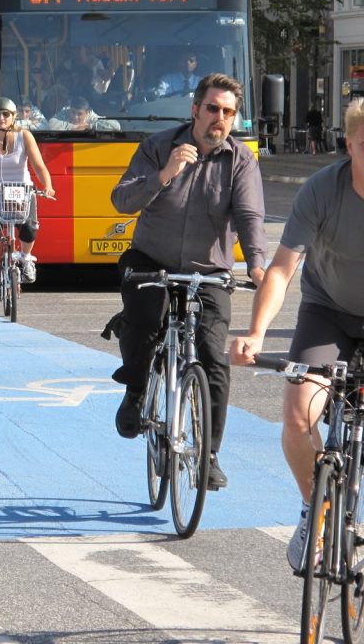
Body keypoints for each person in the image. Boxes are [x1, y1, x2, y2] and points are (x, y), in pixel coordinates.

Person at [110, 73, 267, 489]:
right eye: (213, 108)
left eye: (228, 113)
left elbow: (250, 217)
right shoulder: (158, 146)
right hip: (152, 260)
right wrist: (164, 174)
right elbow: (122, 200)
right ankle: (137, 391)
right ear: (195, 110)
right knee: (144, 323)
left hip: (209, 271)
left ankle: (209, 453)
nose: (220, 118)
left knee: (214, 359)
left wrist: (256, 265)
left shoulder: (240, 160)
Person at [230, 97, 364, 569]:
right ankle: (316, 507)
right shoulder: (322, 191)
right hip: (327, 310)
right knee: (297, 415)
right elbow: (283, 271)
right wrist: (257, 333)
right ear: (349, 145)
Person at [0, 97, 55, 291]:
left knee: (29, 224)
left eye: (5, 114)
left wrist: (47, 186)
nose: (1, 118)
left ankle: (25, 258)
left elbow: (39, 167)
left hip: (20, 187)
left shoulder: (25, 136)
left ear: (13, 116)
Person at [48, 96, 120, 131]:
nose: (75, 117)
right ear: (70, 109)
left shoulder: (92, 117)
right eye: (73, 112)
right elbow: (51, 124)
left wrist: (90, 126)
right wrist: (75, 127)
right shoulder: (65, 112)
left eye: (80, 114)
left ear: (87, 113)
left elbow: (116, 126)